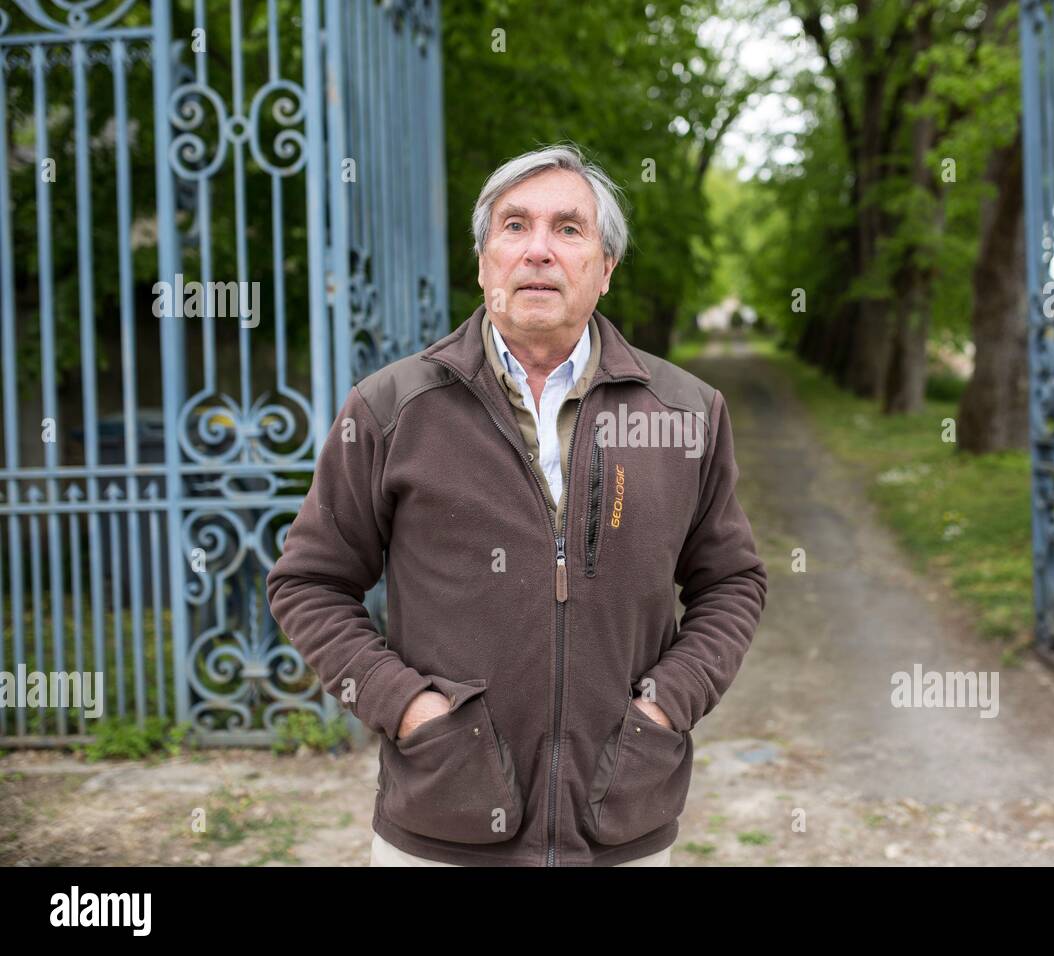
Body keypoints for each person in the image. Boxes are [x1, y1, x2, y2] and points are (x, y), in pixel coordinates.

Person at [266, 143, 767, 866]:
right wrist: (408, 710)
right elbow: (308, 583)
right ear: (482, 263)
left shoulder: (685, 412)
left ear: (606, 269)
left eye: (569, 229)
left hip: (621, 824)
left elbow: (732, 581)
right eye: (514, 226)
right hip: (443, 826)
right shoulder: (392, 409)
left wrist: (664, 706)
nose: (538, 250)